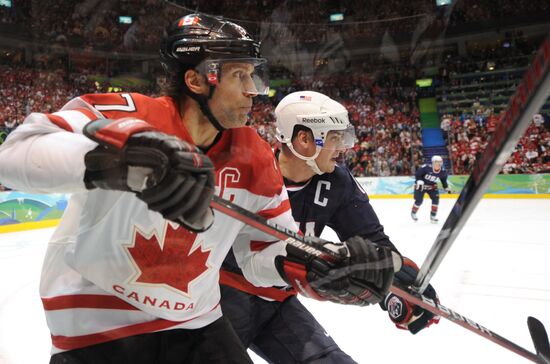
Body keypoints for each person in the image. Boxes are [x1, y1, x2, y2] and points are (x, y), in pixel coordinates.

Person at [0, 15, 397, 364]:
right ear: (195, 80)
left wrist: (312, 268)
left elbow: (264, 249)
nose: (254, 90)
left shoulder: (253, 154)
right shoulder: (130, 114)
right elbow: (14, 155)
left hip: (195, 325)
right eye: (239, 76)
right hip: (95, 324)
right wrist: (118, 161)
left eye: (253, 75)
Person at [220, 91, 439, 363]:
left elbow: (372, 243)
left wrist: (400, 286)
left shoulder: (337, 181)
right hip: (221, 299)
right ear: (304, 140)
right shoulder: (246, 168)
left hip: (278, 301)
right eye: (336, 137)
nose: (345, 147)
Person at [411, 155, 451, 223]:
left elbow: (443, 181)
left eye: (440, 162)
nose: (438, 164)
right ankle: (413, 212)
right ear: (433, 162)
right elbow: (418, 174)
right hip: (421, 186)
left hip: (432, 187)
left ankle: (433, 216)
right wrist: (419, 180)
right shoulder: (426, 168)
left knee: (436, 200)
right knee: (419, 201)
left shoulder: (443, 172)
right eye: (436, 162)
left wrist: (446, 187)